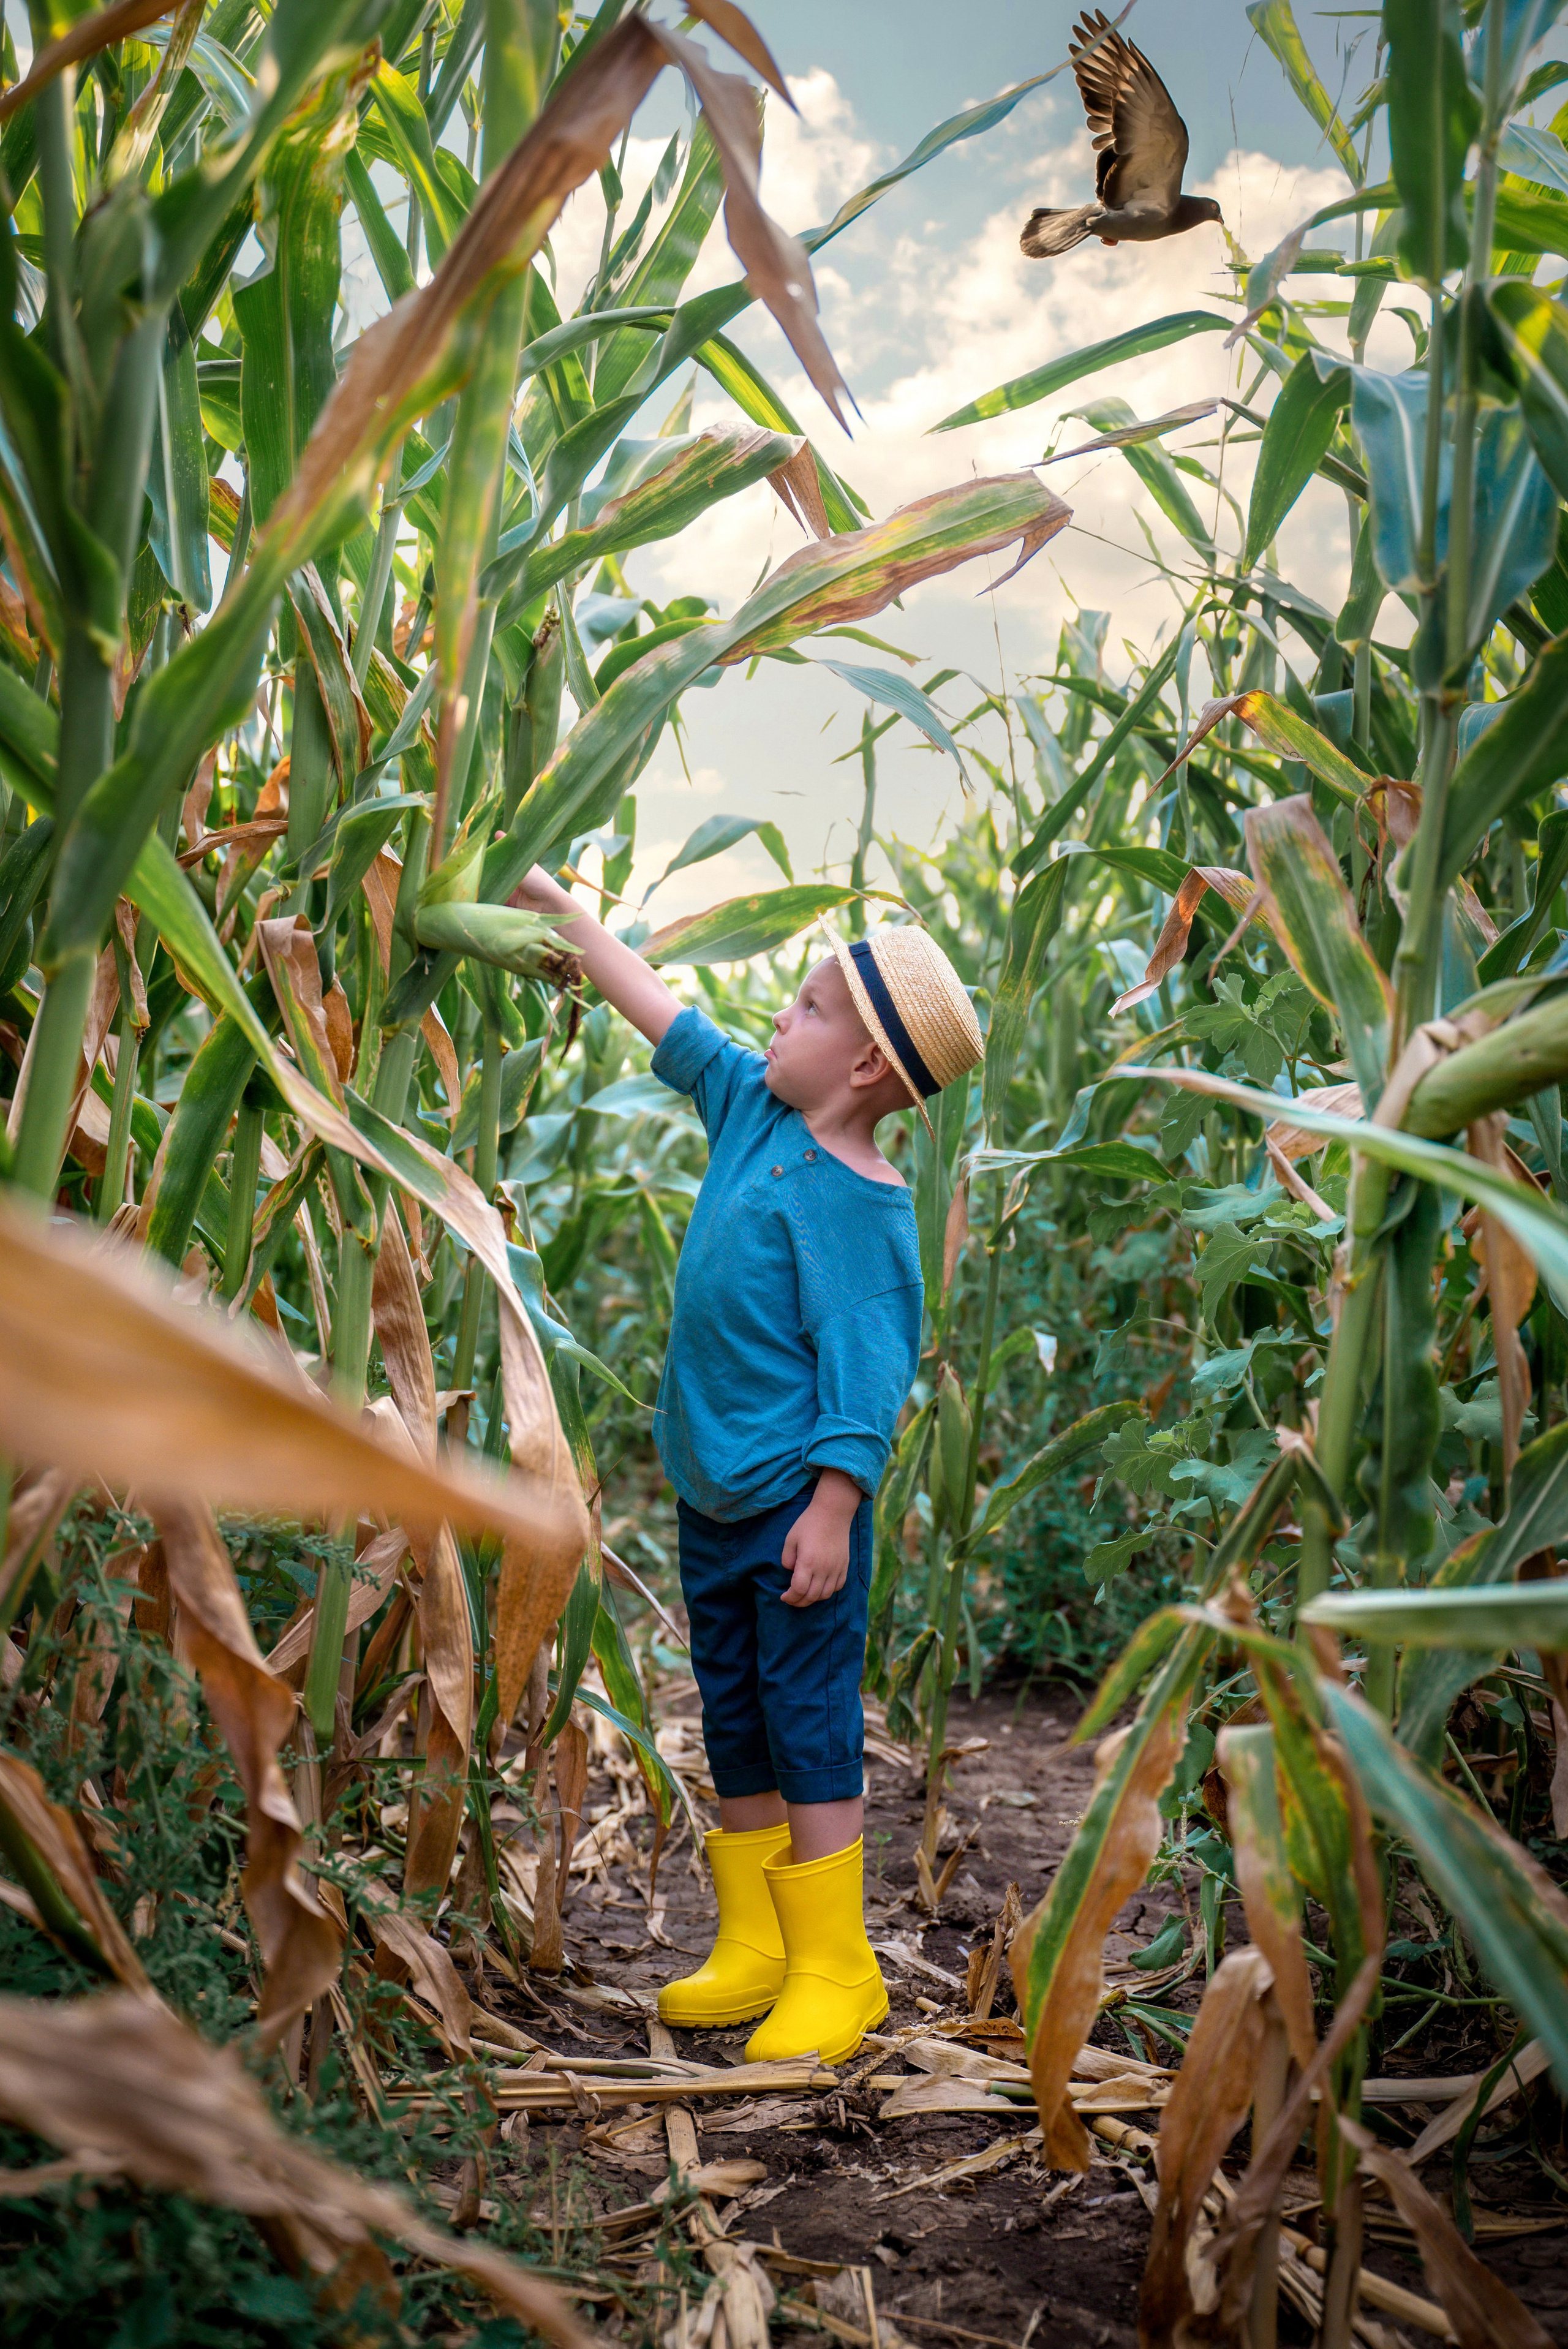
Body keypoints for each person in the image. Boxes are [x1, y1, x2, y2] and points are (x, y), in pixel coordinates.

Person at [511, 864, 984, 2061]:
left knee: (806, 1716)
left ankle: (838, 1966)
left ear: (866, 1067)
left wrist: (832, 1511)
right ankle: (757, 1942)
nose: (781, 1014)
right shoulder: (747, 1106)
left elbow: (868, 1383)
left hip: (792, 1510)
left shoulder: (867, 1208)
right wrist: (544, 899)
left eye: (811, 1008)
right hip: (712, 1491)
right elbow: (650, 1001)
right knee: (731, 1710)